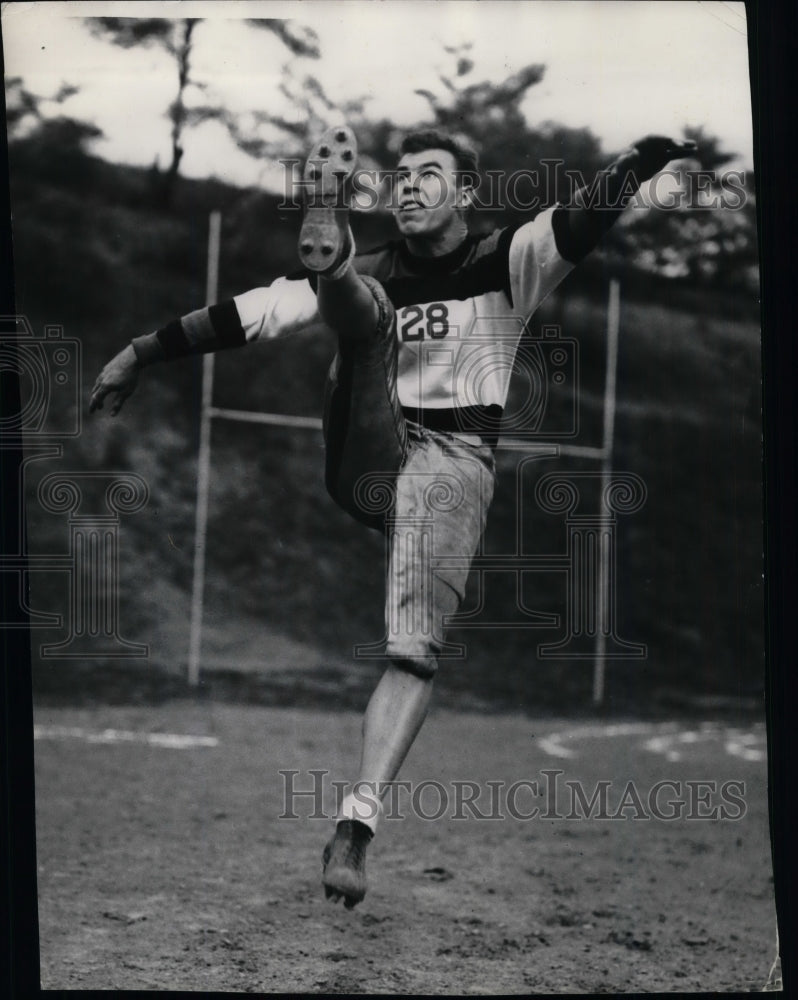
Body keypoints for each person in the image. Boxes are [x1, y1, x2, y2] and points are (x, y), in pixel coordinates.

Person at [90, 124, 695, 908]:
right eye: (401, 176)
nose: (409, 185)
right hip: (371, 443)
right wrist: (140, 350)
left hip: (448, 468)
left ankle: (355, 827)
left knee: (413, 655)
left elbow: (579, 219)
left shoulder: (506, 261)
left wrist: (635, 168)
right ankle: (331, 253)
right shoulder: (386, 265)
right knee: (364, 306)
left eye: (429, 174)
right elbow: (250, 313)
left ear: (466, 193)